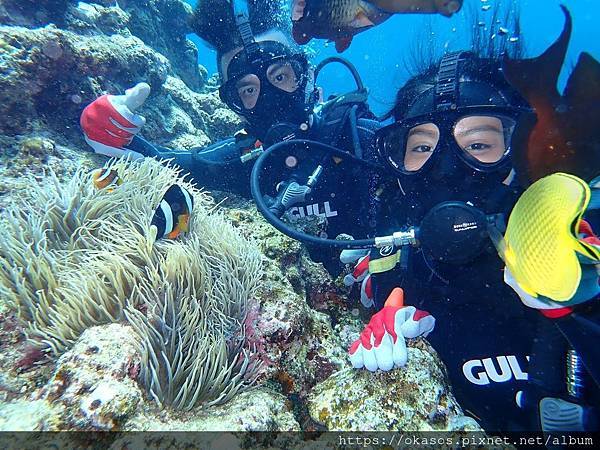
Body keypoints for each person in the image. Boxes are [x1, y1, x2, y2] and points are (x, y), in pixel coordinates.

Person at [344, 50, 600, 433]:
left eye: (479, 144)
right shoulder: (394, 266)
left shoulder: (585, 255)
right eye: (421, 148)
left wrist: (576, 313)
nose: (446, 168)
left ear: (523, 157)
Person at [79, 0, 383, 274]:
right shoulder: (243, 160)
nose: (271, 100)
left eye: (281, 76)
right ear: (233, 103)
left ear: (305, 74)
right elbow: (173, 163)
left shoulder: (356, 133)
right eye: (249, 90)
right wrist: (115, 133)